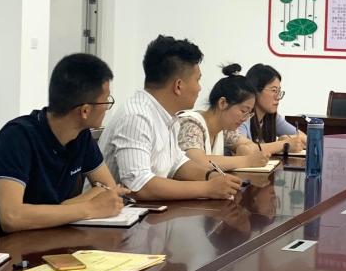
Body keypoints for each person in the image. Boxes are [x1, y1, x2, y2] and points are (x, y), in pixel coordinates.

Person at [0, 53, 126, 233]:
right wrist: (89, 207)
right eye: (106, 100)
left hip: (48, 234)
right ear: (85, 110)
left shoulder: (81, 135)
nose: (107, 106)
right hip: (4, 244)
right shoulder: (18, 137)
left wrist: (63, 207)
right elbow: (12, 217)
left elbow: (109, 190)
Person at [100, 35, 243, 200]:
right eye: (197, 80)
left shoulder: (169, 116)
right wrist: (208, 188)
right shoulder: (136, 116)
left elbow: (177, 163)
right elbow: (139, 186)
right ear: (178, 86)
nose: (199, 88)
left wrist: (211, 176)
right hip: (120, 212)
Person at [178, 65, 269, 171]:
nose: (245, 118)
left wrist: (243, 148)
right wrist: (247, 160)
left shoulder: (224, 129)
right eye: (243, 111)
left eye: (249, 113)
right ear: (222, 103)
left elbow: (249, 145)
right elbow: (197, 162)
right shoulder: (191, 124)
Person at [240, 63, 306, 156]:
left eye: (279, 91)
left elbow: (304, 138)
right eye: (274, 90)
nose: (278, 97)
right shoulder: (242, 117)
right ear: (255, 91)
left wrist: (288, 138)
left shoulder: (272, 117)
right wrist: (284, 144)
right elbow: (244, 150)